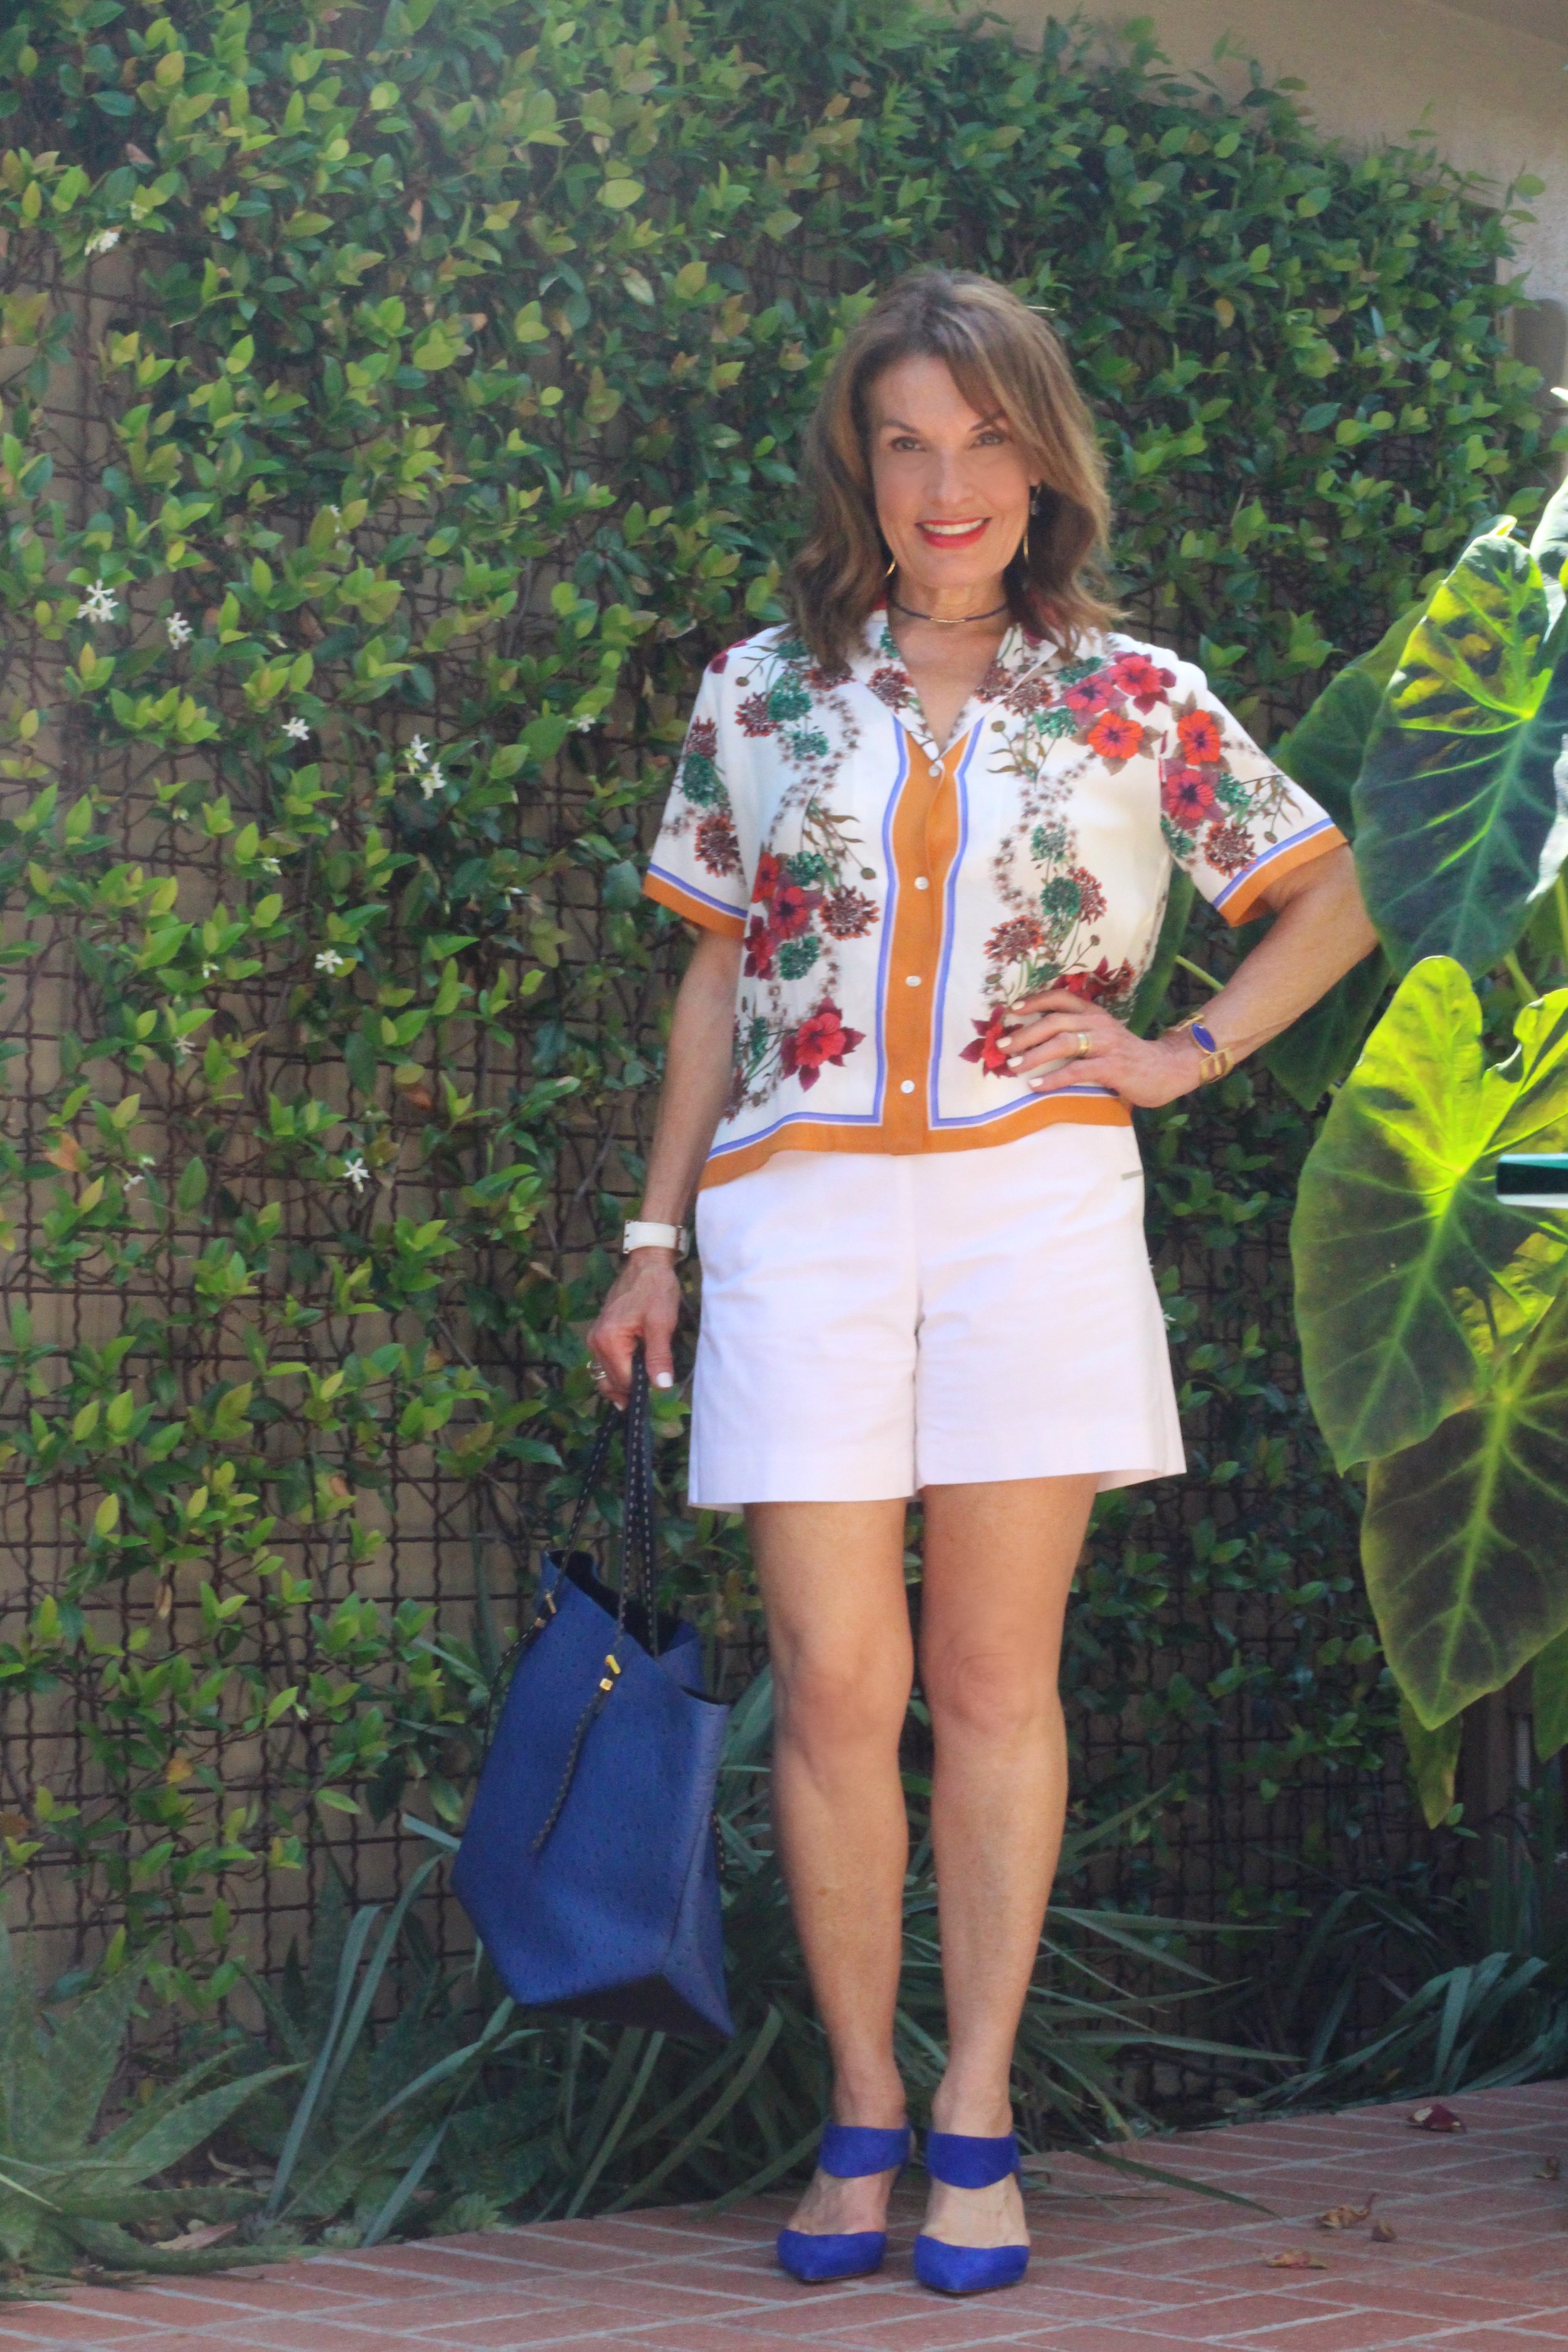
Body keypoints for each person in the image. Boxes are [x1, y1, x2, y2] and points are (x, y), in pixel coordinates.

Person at [586, 268, 1377, 2297]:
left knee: (989, 1681)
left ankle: (976, 2113)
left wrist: (1175, 1054)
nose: (947, 484)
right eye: (905, 442)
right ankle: (858, 2105)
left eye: (984, 438)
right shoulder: (756, 693)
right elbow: (710, 972)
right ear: (860, 466)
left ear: (1043, 455)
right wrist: (652, 1235)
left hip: (1035, 1214)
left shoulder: (1135, 692)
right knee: (837, 1686)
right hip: (800, 1221)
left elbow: (1329, 893)